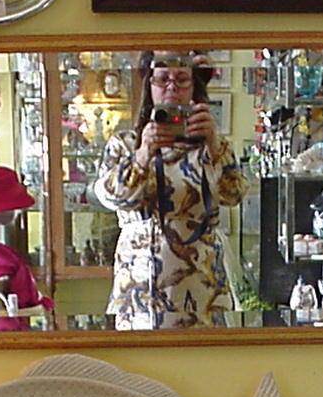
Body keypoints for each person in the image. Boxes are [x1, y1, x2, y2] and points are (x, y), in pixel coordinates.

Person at [94, 51, 247, 329]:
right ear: (149, 85)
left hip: (201, 288)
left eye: (182, 80)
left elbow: (234, 195)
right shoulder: (125, 144)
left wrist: (213, 144)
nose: (172, 88)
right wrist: (143, 154)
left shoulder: (212, 146)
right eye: (163, 79)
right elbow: (109, 197)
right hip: (141, 288)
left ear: (193, 87)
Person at [0, 165, 53, 333]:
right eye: (13, 206)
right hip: (4, 332)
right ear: (1, 208)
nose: (16, 211)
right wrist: (38, 309)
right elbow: (1, 310)